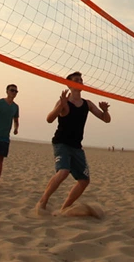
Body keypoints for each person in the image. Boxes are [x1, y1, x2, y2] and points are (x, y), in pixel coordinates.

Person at [35, 72, 111, 215]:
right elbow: (49, 119)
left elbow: (106, 119)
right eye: (77, 80)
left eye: (81, 80)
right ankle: (43, 201)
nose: (80, 82)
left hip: (76, 146)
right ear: (69, 85)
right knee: (63, 171)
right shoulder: (64, 102)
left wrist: (105, 110)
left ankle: (64, 208)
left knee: (84, 180)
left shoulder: (87, 104)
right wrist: (60, 107)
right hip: (61, 143)